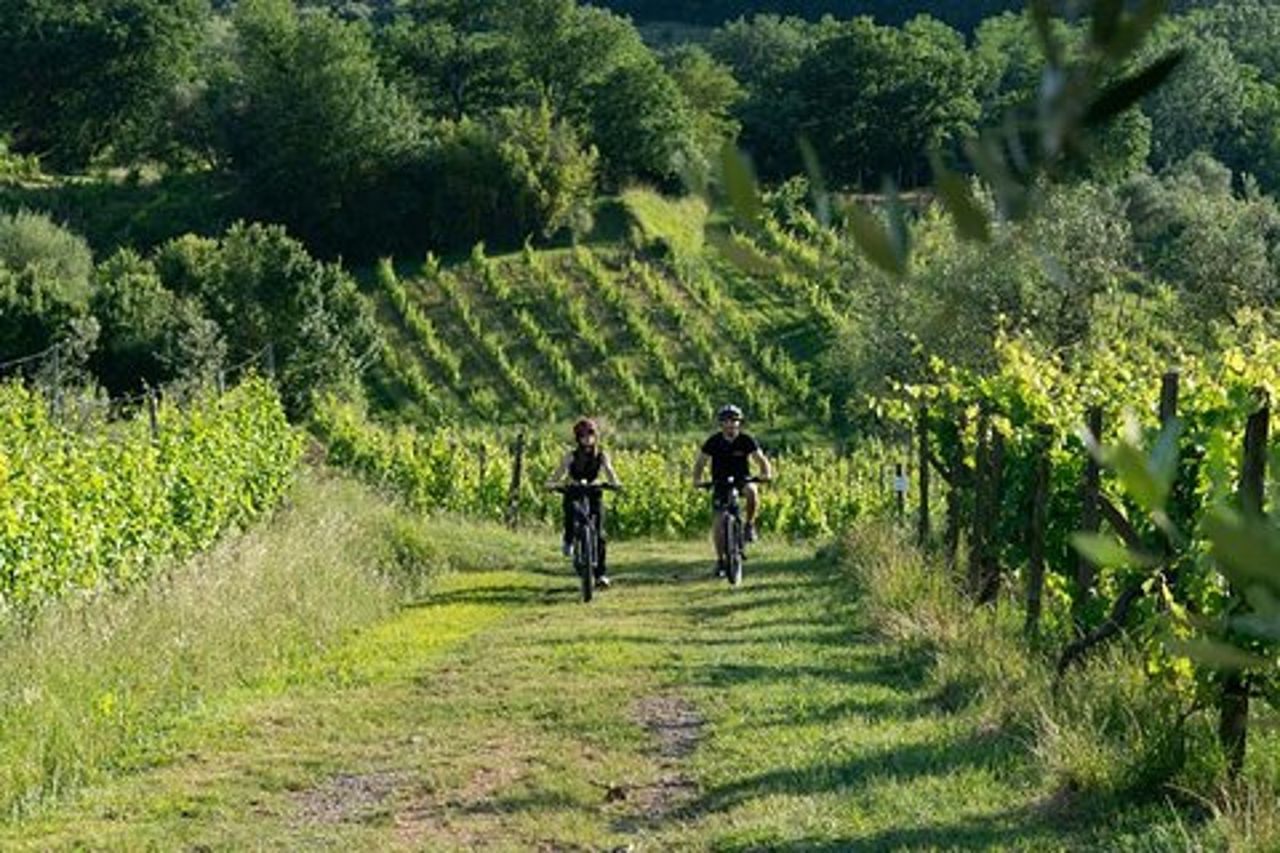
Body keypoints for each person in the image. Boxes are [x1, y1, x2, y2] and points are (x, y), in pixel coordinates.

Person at [692, 404, 773, 576]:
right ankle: (721, 561)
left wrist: (766, 473)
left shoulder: (746, 440)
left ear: (739, 423)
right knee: (719, 522)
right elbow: (701, 462)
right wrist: (697, 480)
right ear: (721, 424)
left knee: (752, 491)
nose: (730, 425)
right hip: (720, 482)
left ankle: (749, 526)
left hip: (741, 479)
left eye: (734, 421)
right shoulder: (713, 442)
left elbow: (760, 459)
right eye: (726, 421)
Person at [546, 418, 622, 588]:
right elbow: (559, 471)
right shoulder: (571, 456)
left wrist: (615, 483)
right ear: (577, 438)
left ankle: (601, 574)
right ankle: (569, 539)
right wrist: (552, 483)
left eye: (590, 434)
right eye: (582, 435)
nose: (587, 438)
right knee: (570, 511)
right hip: (574, 490)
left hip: (594, 491)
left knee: (600, 534)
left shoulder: (602, 455)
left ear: (596, 436)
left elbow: (609, 471)